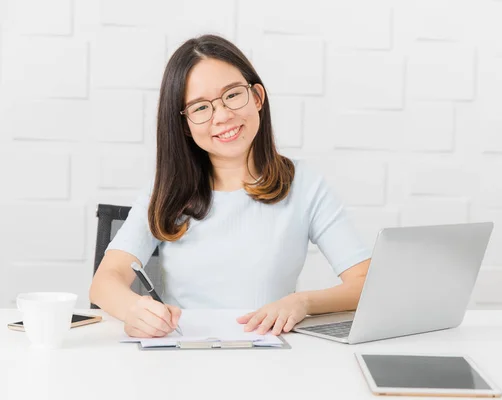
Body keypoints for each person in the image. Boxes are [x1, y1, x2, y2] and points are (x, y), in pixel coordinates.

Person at [89, 34, 372, 338]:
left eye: (232, 95)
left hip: (272, 360)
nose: (223, 115)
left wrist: (302, 302)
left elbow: (367, 282)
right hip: (182, 358)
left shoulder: (302, 183)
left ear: (258, 98)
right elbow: (105, 282)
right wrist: (134, 309)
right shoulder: (166, 191)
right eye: (200, 108)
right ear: (185, 125)